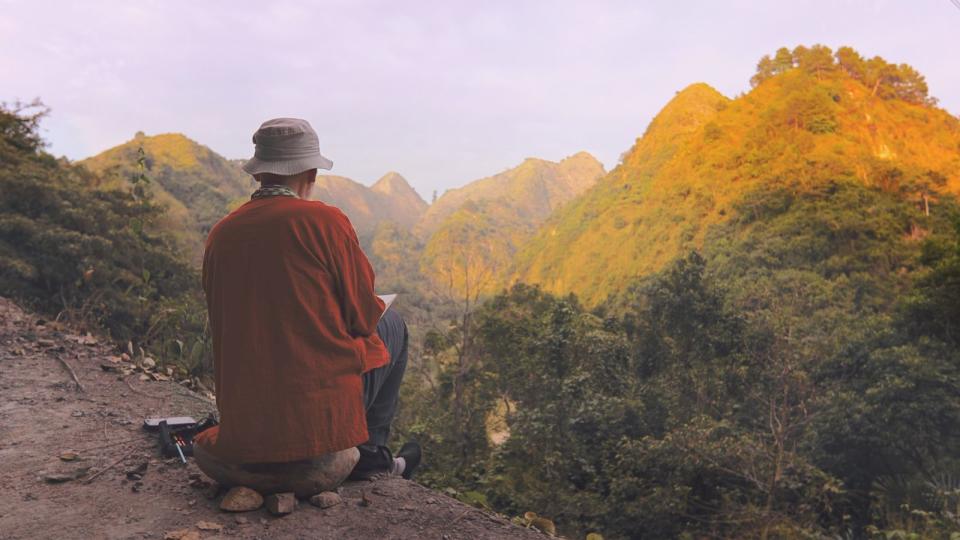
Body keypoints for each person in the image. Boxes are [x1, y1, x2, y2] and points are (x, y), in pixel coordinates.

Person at [193, 118, 420, 496]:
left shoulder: (221, 234)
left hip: (247, 422)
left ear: (259, 174)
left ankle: (365, 454)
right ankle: (371, 454)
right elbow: (364, 317)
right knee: (393, 323)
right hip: (313, 417)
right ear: (311, 172)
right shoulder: (324, 221)